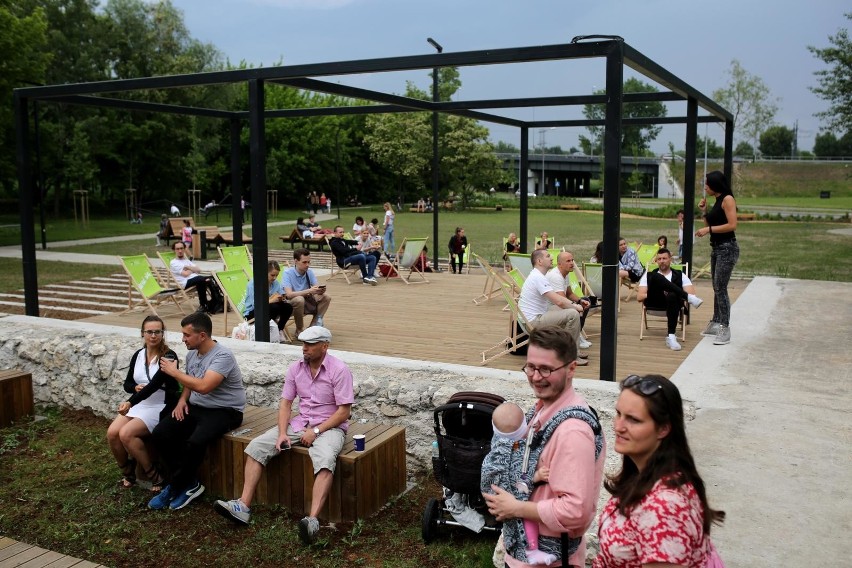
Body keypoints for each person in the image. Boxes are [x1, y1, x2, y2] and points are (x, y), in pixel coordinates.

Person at [214, 326, 354, 544]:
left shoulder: (339, 370)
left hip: (329, 427)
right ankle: (243, 506)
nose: (304, 349)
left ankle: (312, 520)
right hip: (299, 424)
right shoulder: (295, 369)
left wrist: (316, 431)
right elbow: (286, 403)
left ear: (324, 346)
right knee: (257, 446)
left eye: (310, 344)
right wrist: (281, 434)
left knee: (326, 460)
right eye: (303, 344)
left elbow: (344, 411)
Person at [483, 326, 606, 568]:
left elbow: (575, 511)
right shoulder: (544, 410)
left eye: (546, 369)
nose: (536, 377)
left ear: (572, 368)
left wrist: (516, 507)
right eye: (530, 367)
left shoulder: (572, 432)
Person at [593, 374, 725, 568]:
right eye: (618, 413)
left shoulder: (665, 507)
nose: (618, 426)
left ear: (663, 429)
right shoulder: (646, 476)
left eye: (633, 420)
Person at [148, 312, 246, 511]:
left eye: (186, 335)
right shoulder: (192, 353)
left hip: (226, 410)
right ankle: (189, 483)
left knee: (195, 442)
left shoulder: (222, 356)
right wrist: (182, 401)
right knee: (160, 433)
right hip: (197, 406)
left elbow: (203, 386)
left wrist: (174, 372)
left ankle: (174, 486)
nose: (182, 339)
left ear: (202, 336)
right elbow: (190, 383)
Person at [107, 315, 179, 492]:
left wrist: (130, 402)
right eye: (149, 332)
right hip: (140, 403)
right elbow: (127, 384)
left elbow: (154, 386)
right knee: (112, 433)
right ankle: (127, 471)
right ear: (142, 333)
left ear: (163, 334)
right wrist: (134, 387)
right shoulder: (138, 355)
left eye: (157, 332)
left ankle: (154, 475)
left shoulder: (169, 356)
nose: (153, 335)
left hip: (159, 406)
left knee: (126, 434)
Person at [481, 402, 556, 566]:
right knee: (526, 518)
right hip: (507, 497)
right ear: (525, 427)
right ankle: (532, 550)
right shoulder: (515, 453)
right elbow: (518, 481)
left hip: (492, 495)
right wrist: (536, 476)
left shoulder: (497, 444)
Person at [518, 250, 588, 366]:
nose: (551, 258)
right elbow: (558, 301)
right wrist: (576, 306)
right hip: (534, 320)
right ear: (539, 261)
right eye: (548, 256)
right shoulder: (538, 277)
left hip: (534, 316)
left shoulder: (539, 275)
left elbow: (558, 298)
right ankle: (570, 356)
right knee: (573, 314)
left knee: (569, 311)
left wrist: (576, 304)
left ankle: (570, 351)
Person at [696, 170, 739, 346]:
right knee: (716, 287)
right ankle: (715, 321)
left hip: (727, 248)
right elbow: (710, 224)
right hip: (717, 248)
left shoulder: (728, 199)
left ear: (714, 184)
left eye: (707, 184)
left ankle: (725, 327)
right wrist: (704, 212)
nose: (705, 187)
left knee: (720, 288)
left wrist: (708, 230)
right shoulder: (717, 201)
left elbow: (732, 225)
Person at [636, 248, 703, 351]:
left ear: (670, 260)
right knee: (655, 276)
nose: (662, 261)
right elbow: (639, 297)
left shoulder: (680, 275)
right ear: (656, 261)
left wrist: (671, 293)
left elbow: (692, 293)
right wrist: (660, 293)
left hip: (673, 305)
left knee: (671, 295)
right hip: (655, 302)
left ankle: (671, 336)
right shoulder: (650, 276)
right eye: (659, 259)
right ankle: (685, 297)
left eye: (664, 258)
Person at [546, 251, 594, 350]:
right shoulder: (556, 276)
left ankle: (577, 333)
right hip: (549, 309)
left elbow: (569, 294)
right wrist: (575, 306)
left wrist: (581, 301)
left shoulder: (565, 274)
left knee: (585, 300)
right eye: (568, 261)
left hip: (557, 305)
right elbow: (562, 301)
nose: (572, 263)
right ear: (560, 264)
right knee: (573, 310)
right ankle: (575, 337)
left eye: (572, 260)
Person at [282, 248, 332, 336]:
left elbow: (315, 288)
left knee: (326, 297)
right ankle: (299, 329)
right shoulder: (287, 273)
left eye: (309, 262)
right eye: (304, 262)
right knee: (299, 299)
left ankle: (313, 327)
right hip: (292, 305)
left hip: (307, 301)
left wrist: (320, 290)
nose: (307, 265)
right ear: (296, 261)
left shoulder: (309, 272)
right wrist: (309, 290)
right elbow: (289, 295)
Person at [243, 260, 294, 343]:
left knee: (288, 307)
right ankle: (268, 331)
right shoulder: (254, 284)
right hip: (252, 313)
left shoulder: (275, 283)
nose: (274, 278)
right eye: (272, 275)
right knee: (274, 306)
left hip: (270, 310)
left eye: (276, 275)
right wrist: (272, 300)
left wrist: (282, 297)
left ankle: (279, 329)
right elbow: (255, 304)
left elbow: (281, 294)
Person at [169, 242, 222, 314]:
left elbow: (198, 270)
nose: (180, 251)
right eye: (177, 249)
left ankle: (217, 302)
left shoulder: (186, 260)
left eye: (181, 248)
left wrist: (188, 267)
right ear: (174, 250)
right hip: (184, 282)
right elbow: (185, 274)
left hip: (196, 279)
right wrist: (193, 270)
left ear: (184, 249)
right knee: (201, 279)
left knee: (211, 278)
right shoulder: (174, 263)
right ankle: (203, 305)